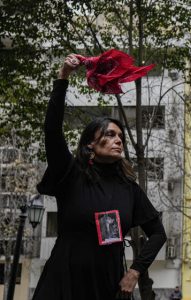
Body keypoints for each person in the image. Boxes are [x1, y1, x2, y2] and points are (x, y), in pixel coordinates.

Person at [32, 54, 167, 299]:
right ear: (90, 144)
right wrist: (62, 77)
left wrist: (135, 271)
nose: (118, 140)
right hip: (64, 282)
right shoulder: (71, 174)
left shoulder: (129, 188)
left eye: (121, 137)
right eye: (110, 134)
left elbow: (158, 233)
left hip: (108, 285)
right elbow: (52, 129)